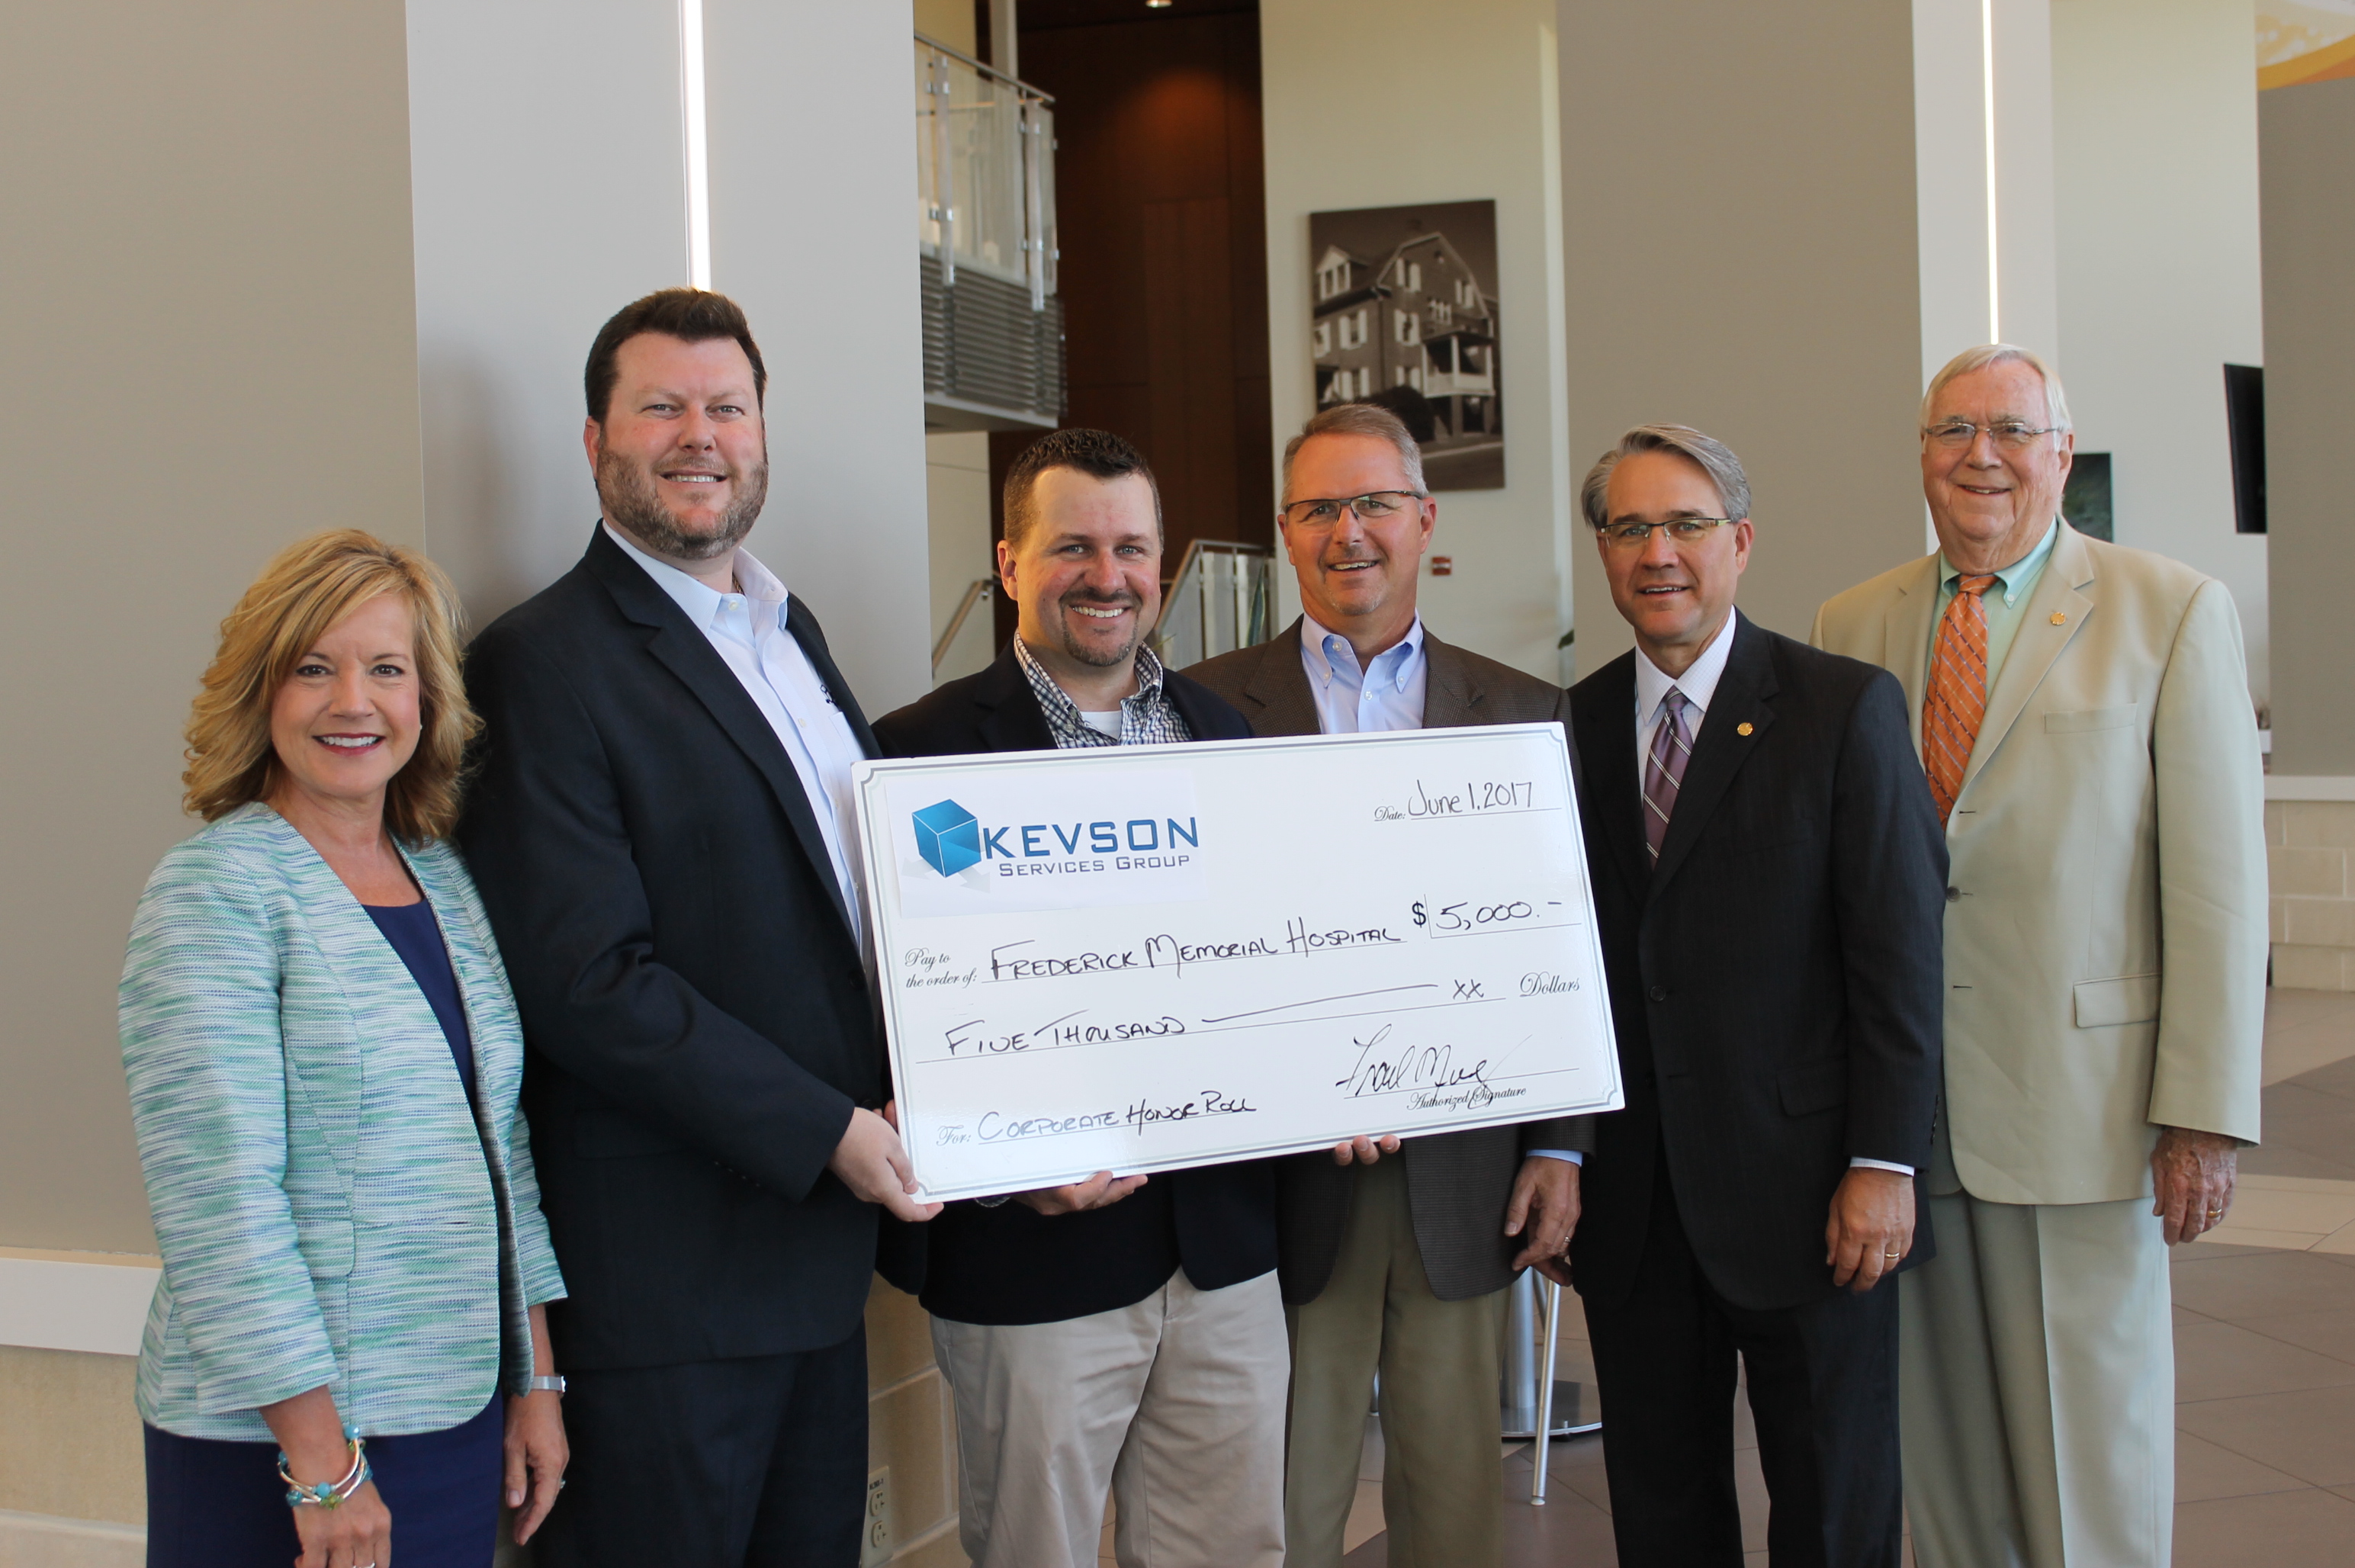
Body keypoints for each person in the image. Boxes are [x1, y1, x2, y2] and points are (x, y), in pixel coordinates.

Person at [457, 288, 939, 1567]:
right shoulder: (540, 662)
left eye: (726, 407)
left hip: (818, 1278)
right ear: (595, 442)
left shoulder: (794, 634)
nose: (699, 435)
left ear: (763, 432)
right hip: (666, 1300)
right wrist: (825, 1131)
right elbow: (587, 980)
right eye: (660, 407)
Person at [1812, 345, 2266, 1567]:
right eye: (1954, 430)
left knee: (2089, 1470)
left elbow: (2220, 889)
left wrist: (2204, 1115)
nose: (1982, 456)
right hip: (1909, 1123)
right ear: (1921, 456)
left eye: (2013, 430)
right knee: (1948, 1469)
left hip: (2087, 1115)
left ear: (2061, 453)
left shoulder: (2170, 610)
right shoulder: (1853, 625)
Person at [871, 428, 1284, 1568]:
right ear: (1008, 562)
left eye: (1133, 548)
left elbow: (1265, 963)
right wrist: (1003, 1167)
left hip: (1224, 1252)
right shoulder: (916, 756)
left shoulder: (1227, 735)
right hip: (1031, 1264)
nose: (1109, 576)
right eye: (1073, 548)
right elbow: (894, 1019)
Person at [1187, 403, 1589, 1568]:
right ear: (1284, 531)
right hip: (1276, 1177)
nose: (1346, 532)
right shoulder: (1203, 710)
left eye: (1372, 505)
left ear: (1423, 523)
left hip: (1466, 1168)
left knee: (1454, 1501)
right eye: (1319, 509)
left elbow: (1560, 945)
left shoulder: (1523, 711)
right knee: (1278, 1501)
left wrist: (1560, 1144)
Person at [120, 529, 569, 1568]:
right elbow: (219, 1205)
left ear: (426, 699)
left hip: (447, 1417)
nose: (352, 702)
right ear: (261, 694)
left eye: (385, 669)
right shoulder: (216, 892)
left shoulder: (440, 880)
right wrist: (321, 1463)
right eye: (312, 669)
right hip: (282, 1443)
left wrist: (533, 1381)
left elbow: (503, 1152)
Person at [1564, 425, 1946, 1566]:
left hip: (1815, 1202)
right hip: (1637, 1210)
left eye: (1684, 524)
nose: (1657, 552)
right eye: (1629, 527)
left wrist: (1886, 1164)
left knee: (1833, 1511)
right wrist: (1562, 1152)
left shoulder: (1842, 709)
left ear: (1739, 541)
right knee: (1664, 1514)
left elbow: (1899, 959)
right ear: (1603, 552)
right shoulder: (1565, 728)